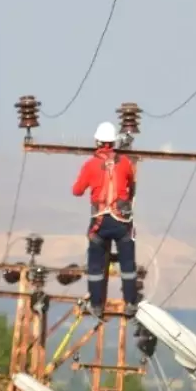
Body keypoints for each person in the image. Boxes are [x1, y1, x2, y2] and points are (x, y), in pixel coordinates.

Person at [71, 121, 139, 318]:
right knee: (128, 265)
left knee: (95, 266)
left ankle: (96, 305)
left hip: (100, 223)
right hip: (122, 223)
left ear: (98, 142)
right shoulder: (125, 162)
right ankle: (131, 303)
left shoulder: (90, 165)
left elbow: (76, 191)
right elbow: (131, 186)